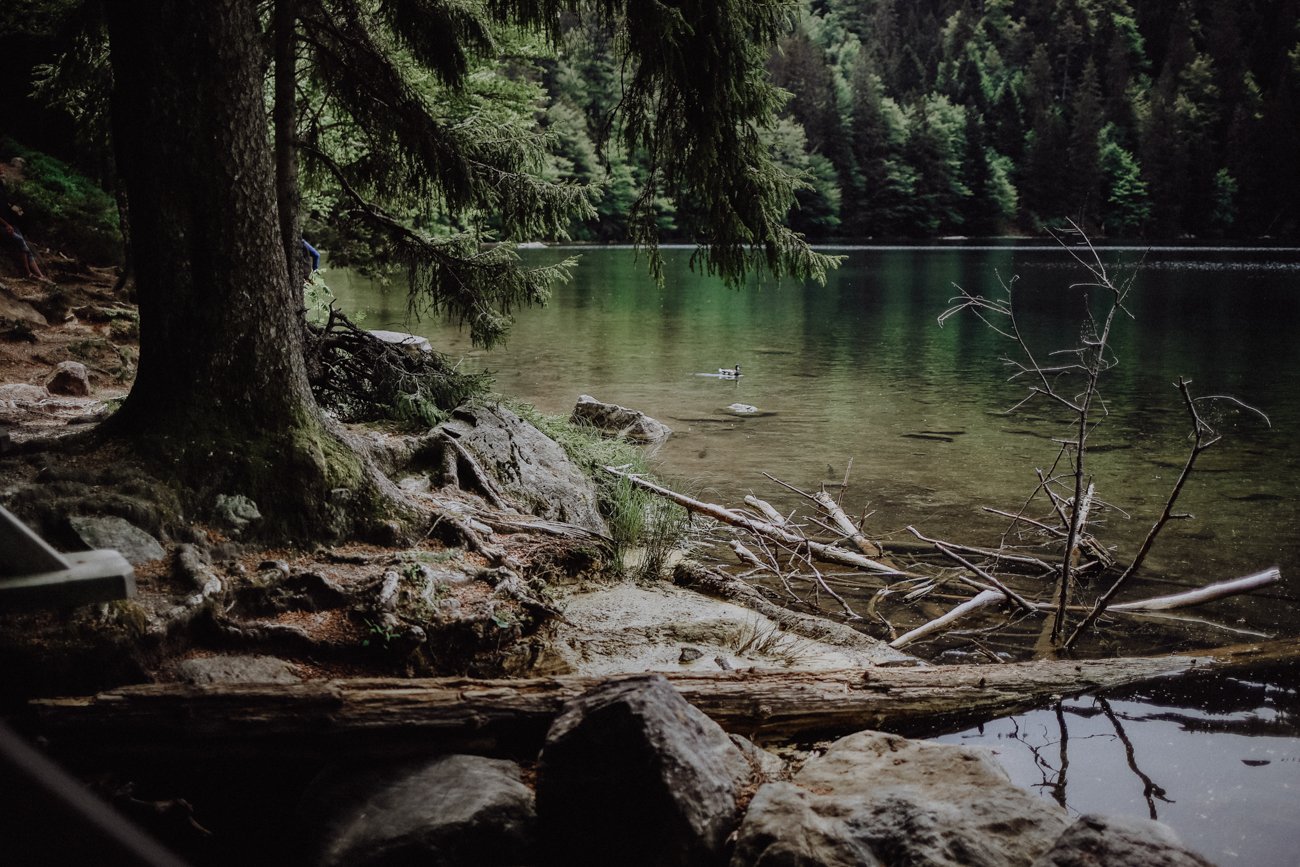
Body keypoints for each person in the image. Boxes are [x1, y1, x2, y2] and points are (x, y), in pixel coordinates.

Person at [0, 215, 52, 283]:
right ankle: (28, 273)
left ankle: (40, 275)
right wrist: (7, 225)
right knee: (20, 240)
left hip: (11, 226)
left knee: (24, 245)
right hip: (3, 227)